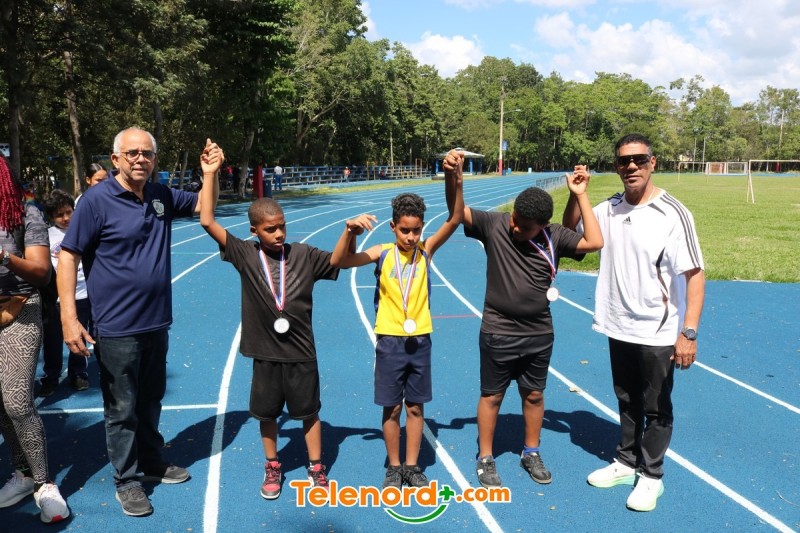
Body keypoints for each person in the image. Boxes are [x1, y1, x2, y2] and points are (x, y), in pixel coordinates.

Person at [57, 128, 224, 517]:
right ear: (116, 159)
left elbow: (205, 207)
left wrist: (210, 173)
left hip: (156, 322)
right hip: (116, 327)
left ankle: (150, 460)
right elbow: (68, 256)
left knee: (151, 398)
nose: (140, 159)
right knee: (122, 407)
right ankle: (127, 479)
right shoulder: (96, 201)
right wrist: (68, 317)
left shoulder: (160, 195)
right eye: (132, 153)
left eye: (147, 153)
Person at [562, 133, 705, 512]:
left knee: (656, 406)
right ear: (616, 167)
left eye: (639, 159)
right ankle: (626, 462)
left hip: (658, 329)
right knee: (626, 398)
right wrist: (577, 195)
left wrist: (688, 332)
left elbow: (695, 274)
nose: (631, 166)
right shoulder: (608, 208)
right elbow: (570, 231)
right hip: (617, 324)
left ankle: (652, 475)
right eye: (624, 161)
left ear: (652, 162)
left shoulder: (673, 213)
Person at [199, 156, 339, 500]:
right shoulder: (244, 254)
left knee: (310, 413)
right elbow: (206, 220)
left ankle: (316, 466)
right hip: (264, 353)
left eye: (282, 227)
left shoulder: (304, 255)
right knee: (267, 414)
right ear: (254, 231)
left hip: (301, 352)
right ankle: (273, 465)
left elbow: (338, 261)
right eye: (270, 229)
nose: (278, 234)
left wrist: (350, 234)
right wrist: (209, 174)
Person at [330, 149, 464, 489]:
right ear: (393, 227)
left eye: (416, 230)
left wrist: (456, 179)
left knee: (415, 408)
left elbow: (455, 218)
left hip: (420, 341)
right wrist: (350, 231)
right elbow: (340, 262)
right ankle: (393, 466)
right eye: (404, 230)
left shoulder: (426, 251)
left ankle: (412, 466)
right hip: (390, 341)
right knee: (391, 409)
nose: (411, 237)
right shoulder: (382, 253)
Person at [463, 169, 603, 489]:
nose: (515, 227)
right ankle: (485, 457)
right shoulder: (495, 224)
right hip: (498, 331)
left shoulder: (556, 236)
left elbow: (595, 241)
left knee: (535, 394)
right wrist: (453, 178)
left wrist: (580, 194)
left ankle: (531, 452)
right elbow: (458, 211)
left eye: (525, 227)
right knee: (492, 396)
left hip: (539, 334)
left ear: (543, 226)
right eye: (515, 219)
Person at [0, 156, 70, 522]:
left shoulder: (25, 212)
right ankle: (24, 474)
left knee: (16, 401)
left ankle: (45, 484)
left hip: (19, 308)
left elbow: (42, 272)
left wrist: (3, 257)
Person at [38, 190, 91, 397]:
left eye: (69, 212)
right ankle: (51, 376)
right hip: (55, 298)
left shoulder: (83, 231)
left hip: (81, 294)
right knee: (52, 340)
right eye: (59, 215)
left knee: (79, 335)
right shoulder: (46, 235)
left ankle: (78, 373)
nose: (66, 218)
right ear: (51, 217)